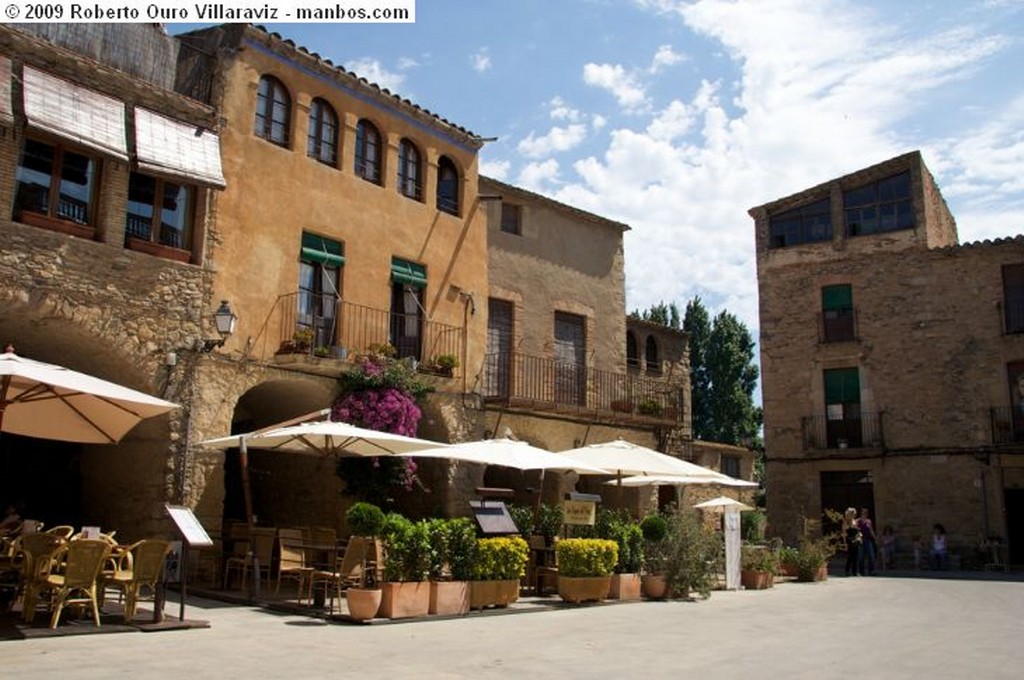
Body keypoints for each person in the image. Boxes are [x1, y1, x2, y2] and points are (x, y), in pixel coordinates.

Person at [842, 507, 862, 576]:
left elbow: (858, 531)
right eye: (853, 513)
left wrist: (859, 536)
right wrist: (845, 544)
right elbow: (844, 534)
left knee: (856, 556)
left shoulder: (855, 521)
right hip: (849, 540)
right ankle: (847, 570)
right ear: (849, 514)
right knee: (850, 556)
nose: (854, 514)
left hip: (856, 539)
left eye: (854, 513)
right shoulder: (845, 522)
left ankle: (855, 572)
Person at [857, 508, 876, 575]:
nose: (864, 514)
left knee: (871, 555)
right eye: (863, 513)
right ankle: (861, 571)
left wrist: (875, 538)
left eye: (865, 513)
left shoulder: (869, 521)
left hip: (868, 539)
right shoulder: (858, 521)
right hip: (861, 540)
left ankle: (871, 571)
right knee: (860, 556)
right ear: (861, 513)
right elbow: (856, 530)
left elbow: (871, 530)